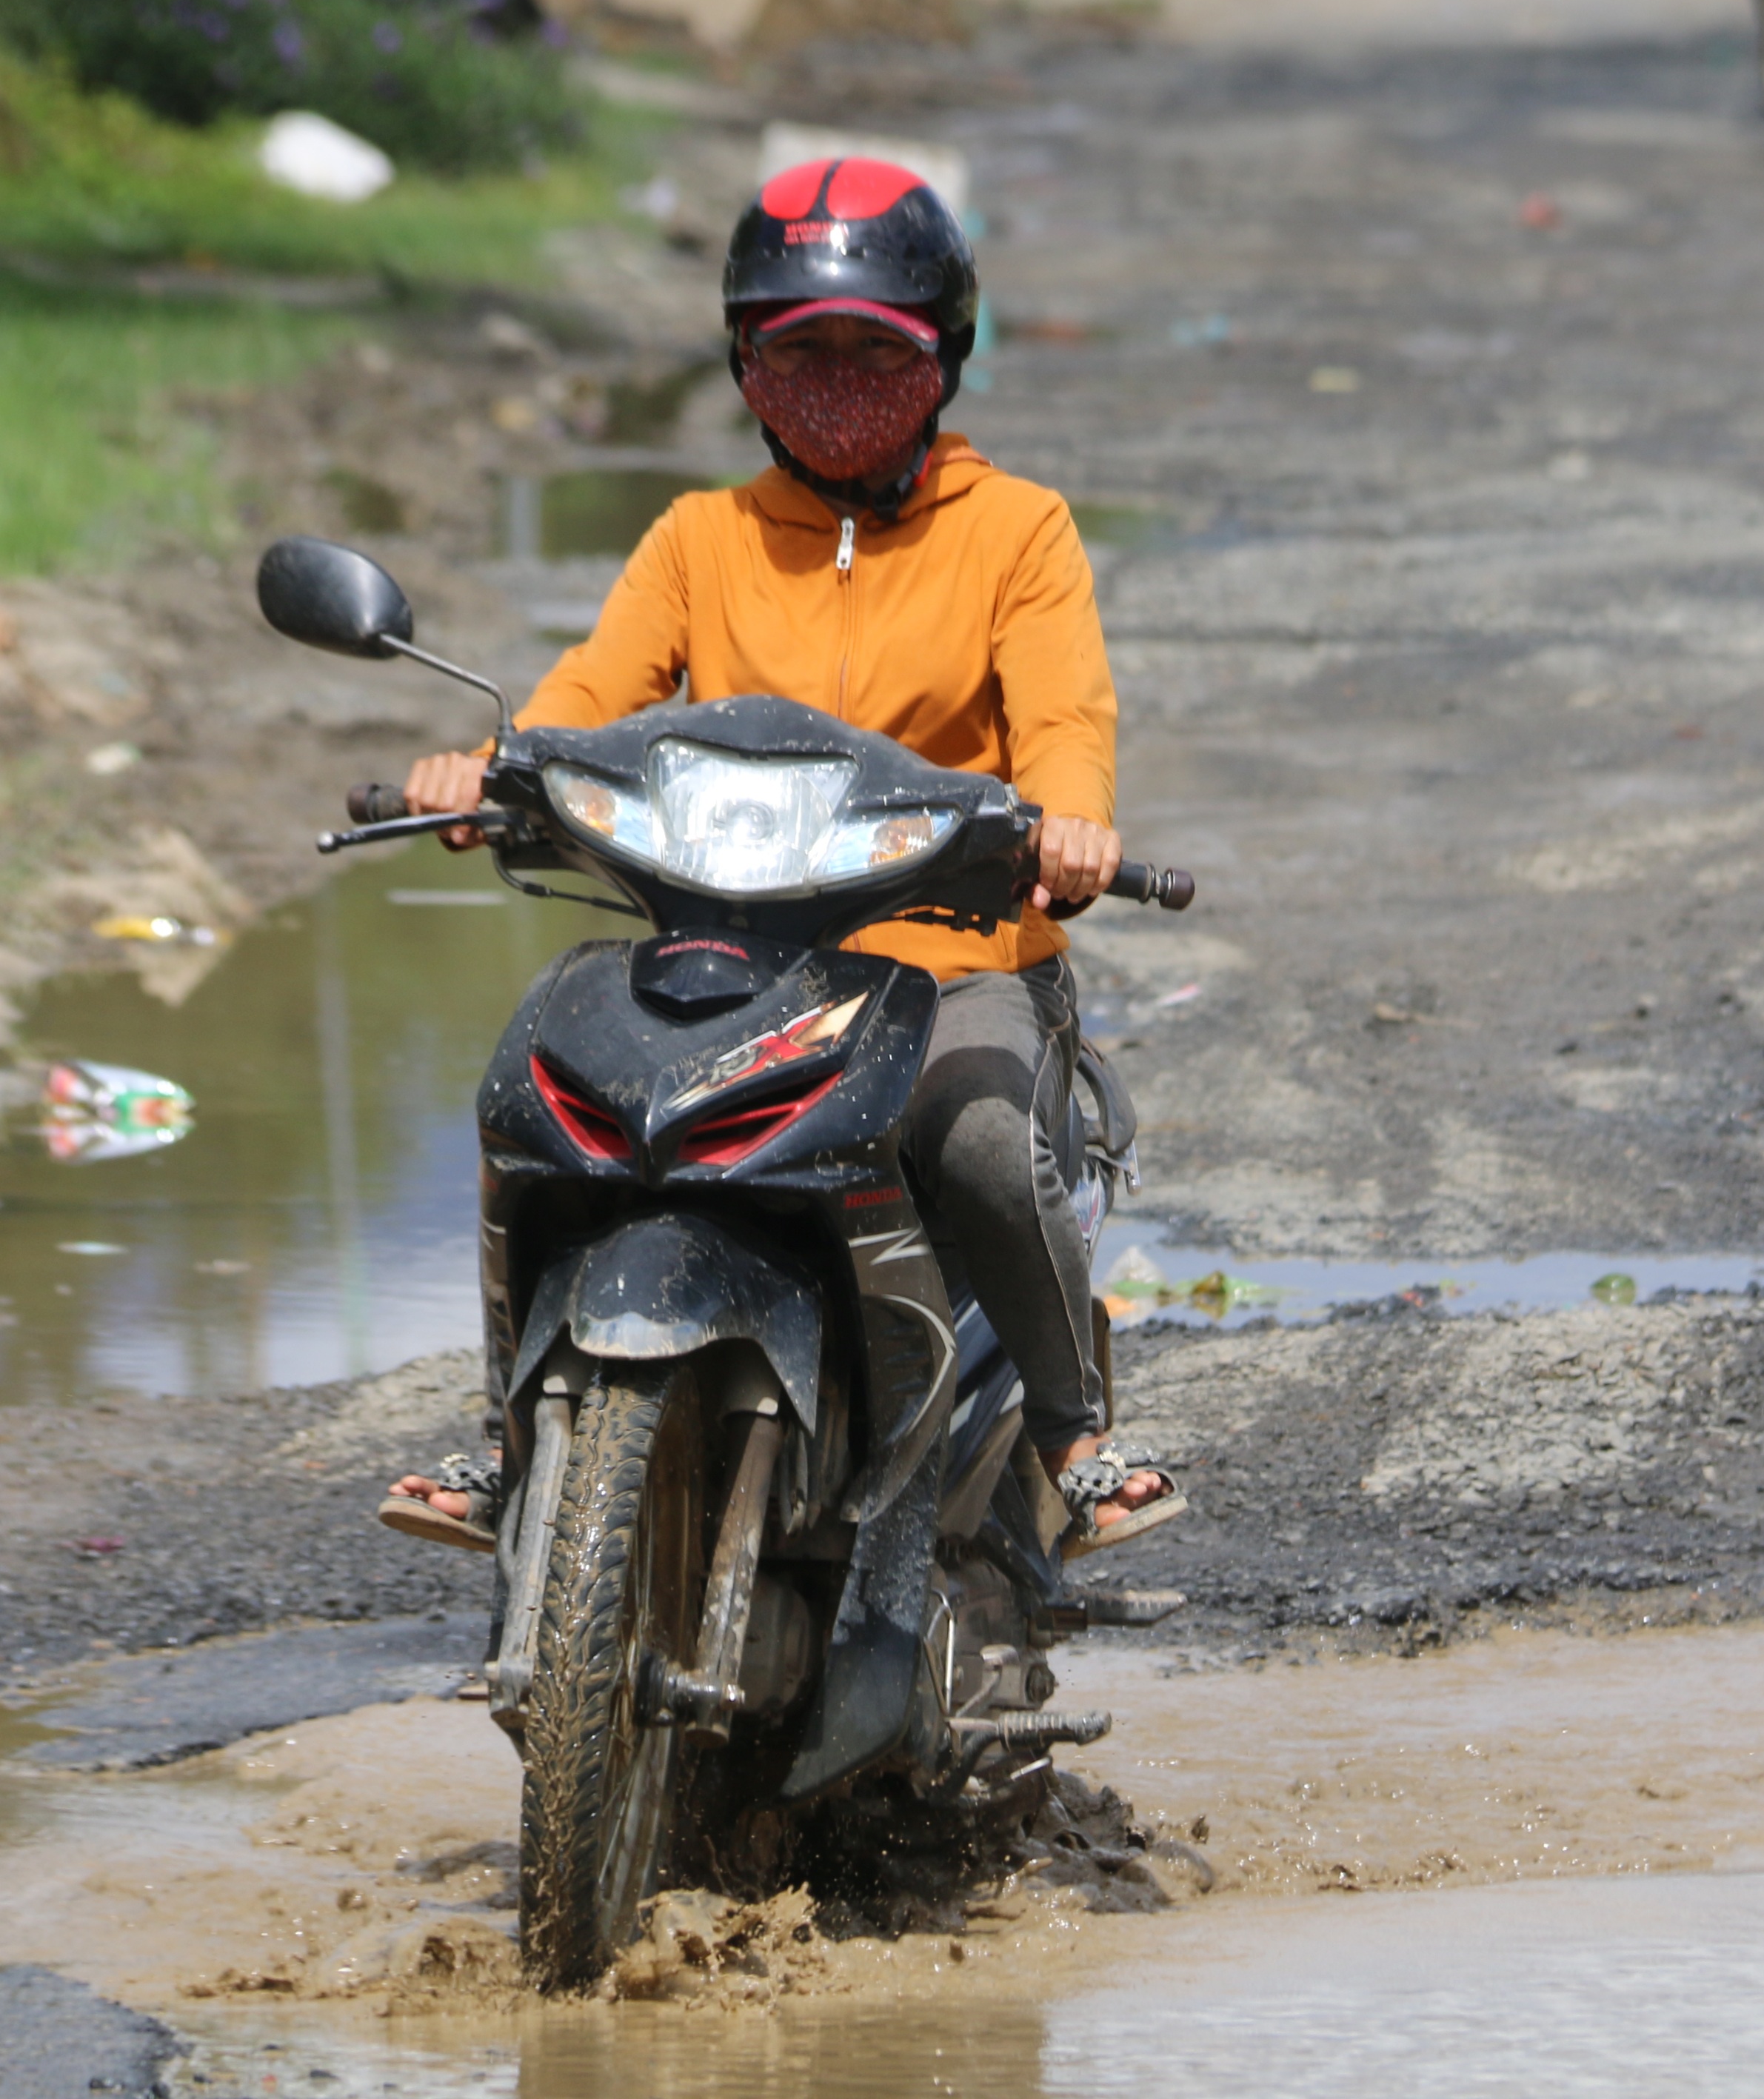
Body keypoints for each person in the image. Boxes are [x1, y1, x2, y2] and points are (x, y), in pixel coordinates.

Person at [382, 158, 1186, 1561]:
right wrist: (493, 766)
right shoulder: (703, 538)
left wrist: (1071, 818)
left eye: (873, 349)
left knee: (983, 1139)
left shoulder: (1019, 532)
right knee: (536, 1095)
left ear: (945, 359)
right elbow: (586, 698)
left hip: (950, 964)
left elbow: (1063, 716)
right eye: (798, 349)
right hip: (730, 963)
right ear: (744, 364)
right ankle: (523, 1445)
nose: (835, 380)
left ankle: (1073, 1433)